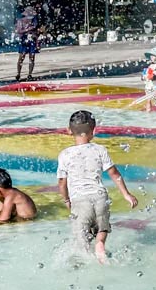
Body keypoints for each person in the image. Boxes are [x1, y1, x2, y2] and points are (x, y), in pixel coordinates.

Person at [57, 110, 139, 262]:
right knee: (102, 227)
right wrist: (126, 194)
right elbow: (114, 173)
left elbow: (62, 182)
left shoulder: (65, 154)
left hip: (80, 200)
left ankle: (86, 263)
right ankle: (100, 244)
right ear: (93, 131)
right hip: (100, 197)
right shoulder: (100, 150)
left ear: (68, 131)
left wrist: (66, 199)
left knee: (82, 240)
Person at [15, 6, 40, 82]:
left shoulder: (34, 21)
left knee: (32, 57)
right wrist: (29, 29)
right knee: (21, 57)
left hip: (32, 40)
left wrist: (36, 38)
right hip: (23, 40)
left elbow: (36, 30)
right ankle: (18, 73)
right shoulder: (20, 21)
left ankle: (29, 74)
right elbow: (19, 31)